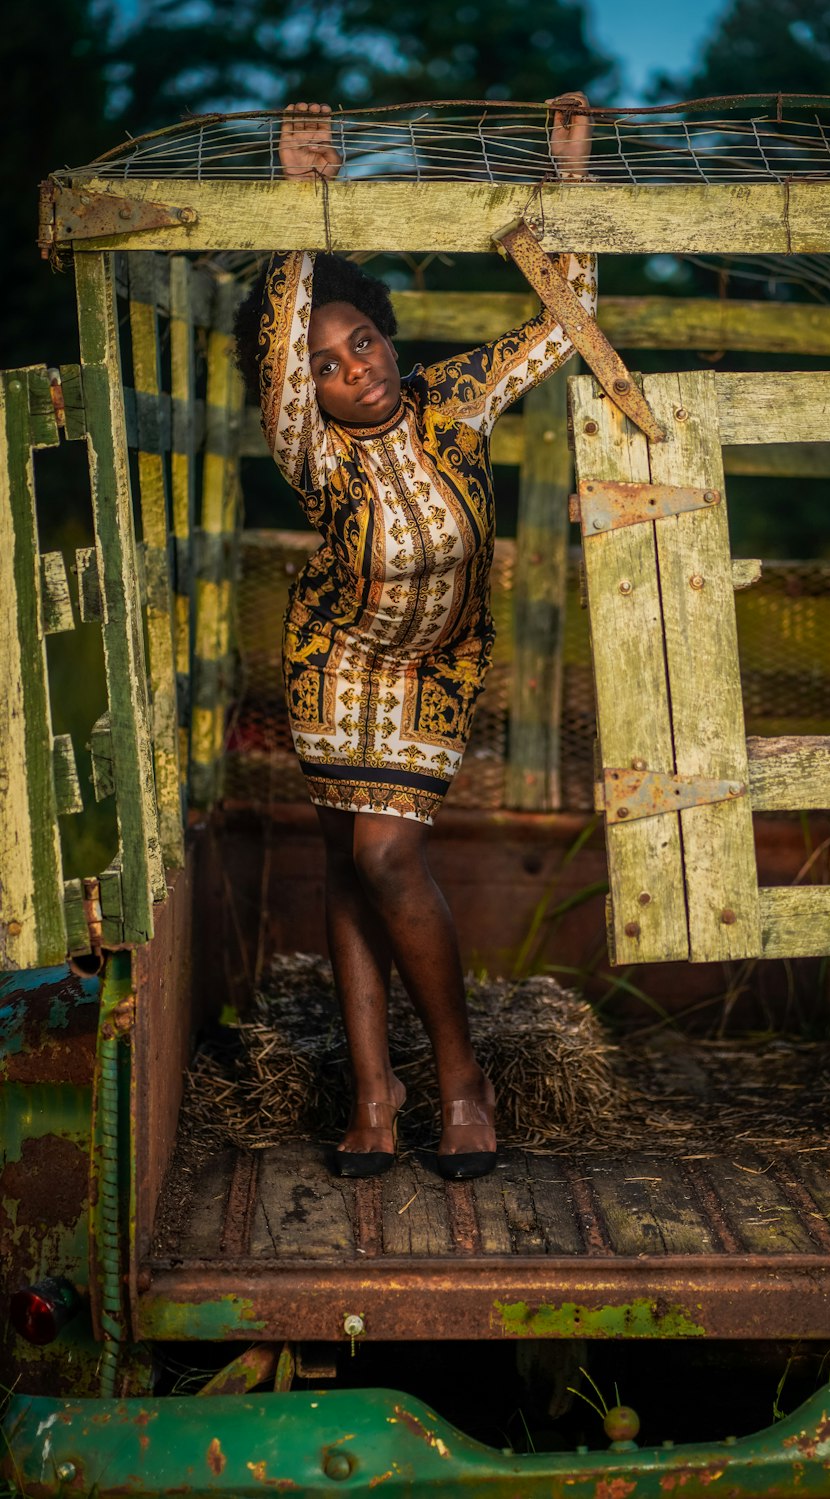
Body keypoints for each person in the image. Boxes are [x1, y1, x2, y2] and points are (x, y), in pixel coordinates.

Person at [233, 95, 595, 1180]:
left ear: (385, 330)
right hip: (336, 660)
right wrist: (305, 202)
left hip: (437, 663)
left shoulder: (451, 399)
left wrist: (568, 185)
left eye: (364, 340)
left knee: (386, 855)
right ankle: (375, 1095)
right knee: (351, 867)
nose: (359, 368)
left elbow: (565, 315)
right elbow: (286, 353)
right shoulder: (313, 451)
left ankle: (459, 1077)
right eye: (332, 365)